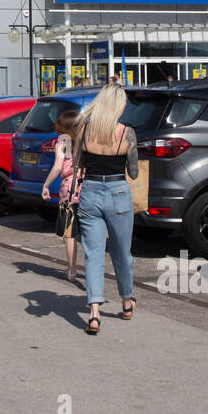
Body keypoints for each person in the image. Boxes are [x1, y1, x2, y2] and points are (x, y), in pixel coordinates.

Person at [74, 82, 139, 335]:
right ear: (119, 106)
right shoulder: (127, 133)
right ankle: (126, 301)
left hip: (90, 192)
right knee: (122, 253)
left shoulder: (85, 129)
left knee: (93, 255)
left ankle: (94, 313)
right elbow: (133, 173)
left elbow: (79, 162)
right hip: (118, 193)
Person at [40, 109, 82, 283]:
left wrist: (46, 185)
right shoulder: (84, 140)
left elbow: (58, 167)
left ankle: (72, 270)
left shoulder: (63, 143)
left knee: (70, 233)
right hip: (87, 188)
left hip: (69, 190)